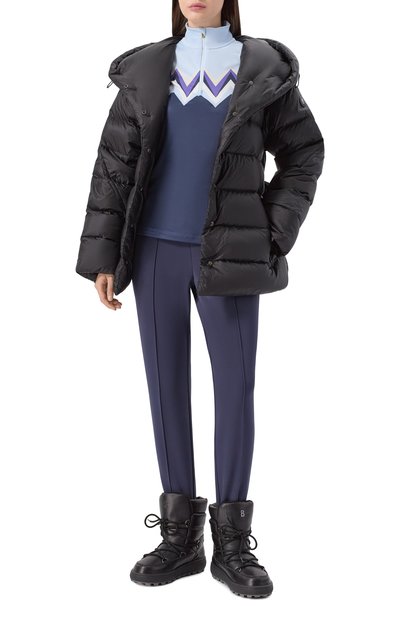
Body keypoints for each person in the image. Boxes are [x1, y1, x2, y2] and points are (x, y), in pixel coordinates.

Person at [75, 0, 325, 599]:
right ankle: (180, 539)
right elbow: (113, 166)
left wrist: (270, 234)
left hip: (231, 256)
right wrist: (104, 255)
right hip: (154, 251)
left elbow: (304, 154)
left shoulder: (263, 69)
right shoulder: (146, 69)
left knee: (235, 388)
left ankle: (232, 545)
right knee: (165, 387)